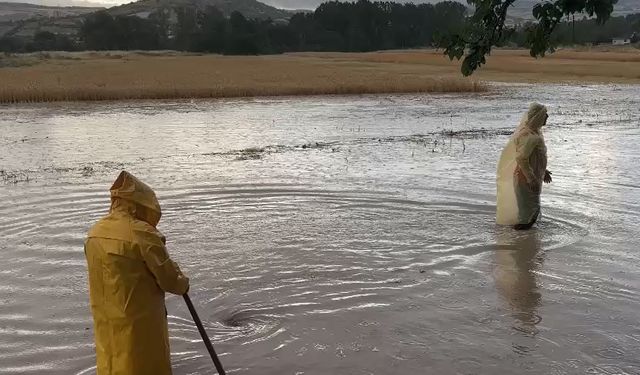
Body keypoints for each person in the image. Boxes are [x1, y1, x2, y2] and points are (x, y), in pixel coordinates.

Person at [84, 171, 189, 375]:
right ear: (141, 204)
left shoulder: (94, 232)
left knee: (111, 360)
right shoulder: (142, 233)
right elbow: (170, 280)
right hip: (139, 320)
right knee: (142, 363)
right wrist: (183, 282)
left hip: (106, 318)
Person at [496, 103, 552, 230]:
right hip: (525, 180)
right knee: (527, 218)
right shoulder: (530, 137)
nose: (547, 117)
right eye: (544, 115)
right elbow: (521, 158)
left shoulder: (533, 133)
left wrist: (544, 171)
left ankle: (525, 243)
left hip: (528, 178)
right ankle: (519, 245)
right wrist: (531, 178)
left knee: (531, 214)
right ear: (537, 117)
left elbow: (536, 158)